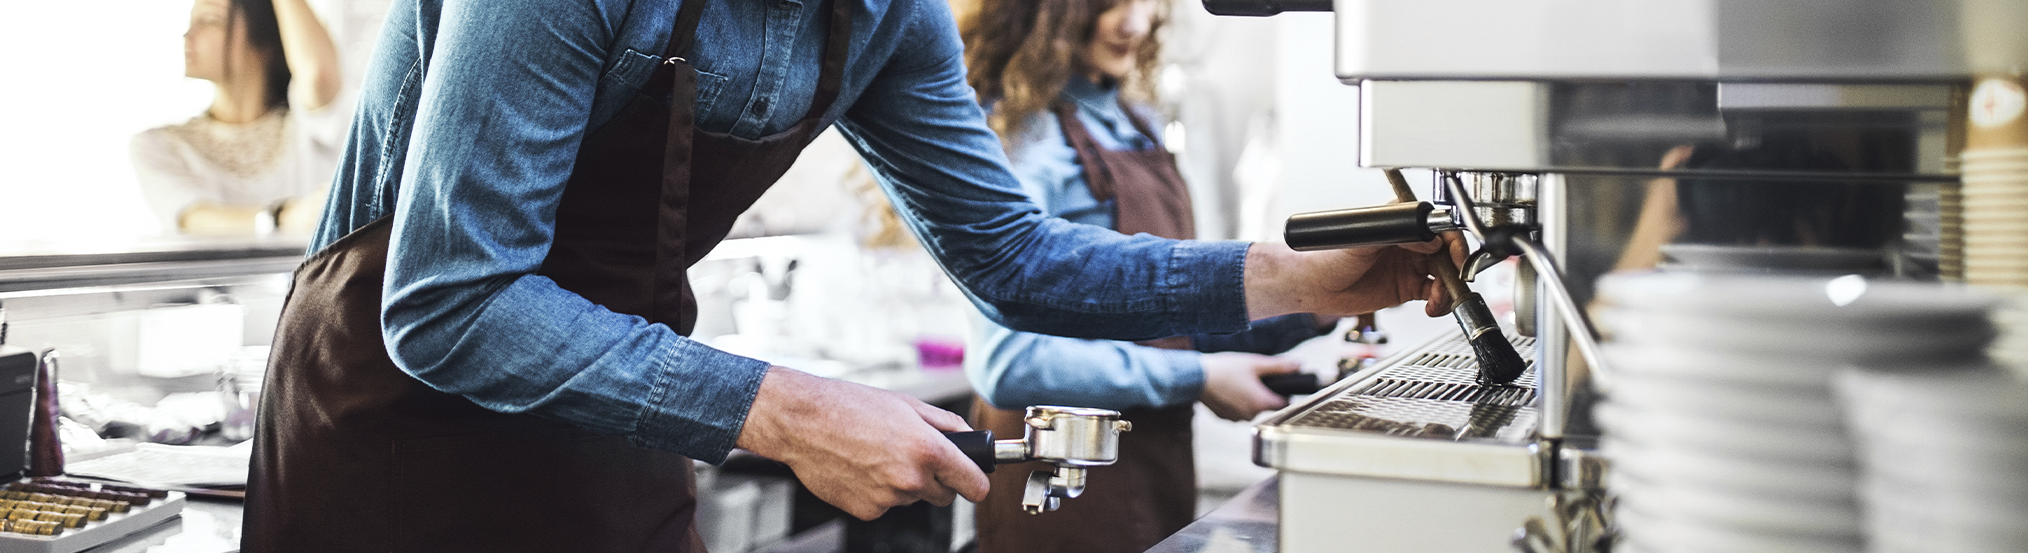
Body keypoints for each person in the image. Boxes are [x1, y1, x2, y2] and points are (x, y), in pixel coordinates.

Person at [242, 0, 1461, 550]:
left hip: (611, 418)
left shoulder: (888, 17)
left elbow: (1015, 258)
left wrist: (1307, 277)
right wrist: (793, 412)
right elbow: (453, 300)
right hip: (391, 424)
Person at [957, 0, 1327, 551]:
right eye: (1107, 3)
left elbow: (1159, 315)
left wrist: (1316, 298)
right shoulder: (1025, 138)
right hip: (1061, 475)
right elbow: (1007, 360)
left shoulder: (1136, 122)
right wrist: (1198, 377)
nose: (1134, 22)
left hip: (1152, 456)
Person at [131, 0, 342, 235]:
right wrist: (282, 216)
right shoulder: (160, 146)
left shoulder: (310, 127)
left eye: (210, 21)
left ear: (262, 37)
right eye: (191, 23)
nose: (189, 35)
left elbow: (318, 73)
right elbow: (194, 219)